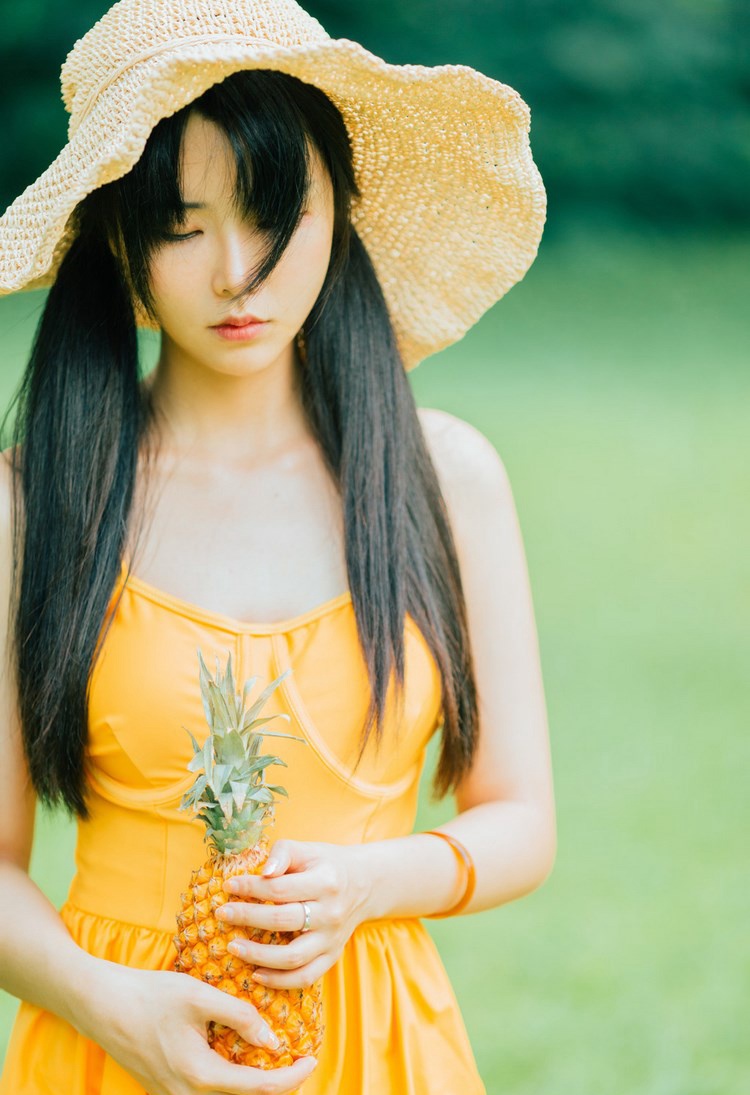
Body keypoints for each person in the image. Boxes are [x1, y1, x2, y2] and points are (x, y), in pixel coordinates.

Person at [0, 0, 555, 1092]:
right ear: (117, 235)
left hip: (377, 1038)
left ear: (339, 210)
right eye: (181, 224)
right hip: (113, 1038)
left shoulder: (446, 480)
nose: (235, 271)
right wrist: (108, 1007)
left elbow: (522, 820)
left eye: (273, 213)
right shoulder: (33, 502)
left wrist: (370, 881)